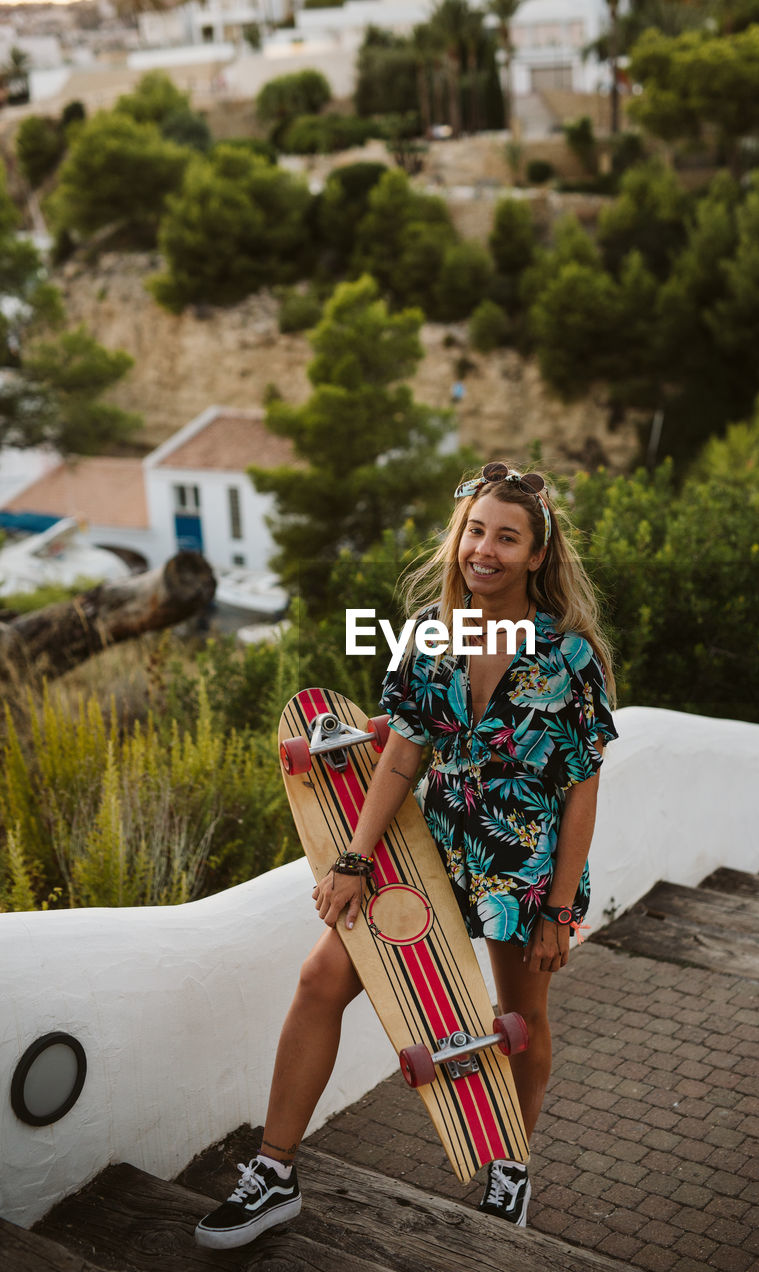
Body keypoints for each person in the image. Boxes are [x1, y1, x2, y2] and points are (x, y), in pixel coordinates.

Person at [195, 461, 618, 1249]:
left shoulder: (571, 658)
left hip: (526, 865)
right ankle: (274, 1172)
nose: (482, 550)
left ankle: (511, 1167)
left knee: (521, 1016)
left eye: (506, 537)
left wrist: (561, 909)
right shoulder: (430, 634)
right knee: (321, 978)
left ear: (536, 555)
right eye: (475, 532)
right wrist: (354, 859)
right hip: (433, 850)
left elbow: (582, 789)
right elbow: (400, 756)